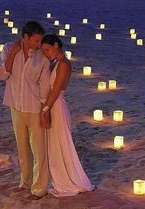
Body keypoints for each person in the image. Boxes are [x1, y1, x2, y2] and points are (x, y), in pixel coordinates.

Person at [0, 21, 51, 200]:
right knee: (22, 148)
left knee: (39, 149)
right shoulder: (8, 48)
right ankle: (25, 182)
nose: (38, 44)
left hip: (34, 108)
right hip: (16, 106)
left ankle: (39, 187)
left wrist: (45, 110)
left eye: (40, 41)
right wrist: (12, 54)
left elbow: (44, 85)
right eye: (35, 40)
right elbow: (3, 74)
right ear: (25, 37)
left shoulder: (42, 56)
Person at [41, 34, 94, 197]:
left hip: (57, 106)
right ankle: (60, 179)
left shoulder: (63, 64)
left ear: (56, 45)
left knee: (61, 143)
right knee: (55, 145)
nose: (46, 53)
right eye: (44, 51)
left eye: (48, 49)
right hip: (52, 104)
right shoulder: (55, 62)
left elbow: (56, 90)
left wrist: (45, 109)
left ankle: (68, 181)